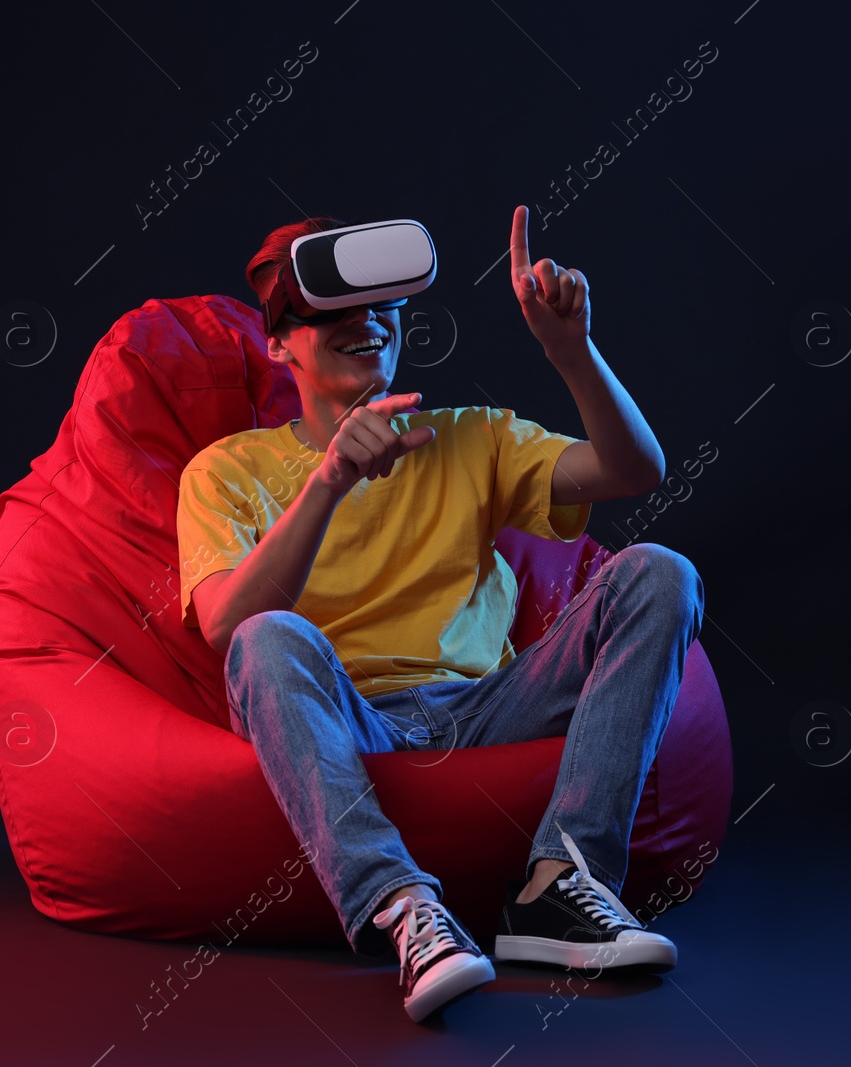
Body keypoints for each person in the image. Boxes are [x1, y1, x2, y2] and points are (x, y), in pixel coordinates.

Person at [175, 206, 706, 1022]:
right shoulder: (226, 473)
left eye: (382, 308)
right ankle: (404, 908)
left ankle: (560, 883)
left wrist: (573, 351)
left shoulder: (468, 439)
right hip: (349, 720)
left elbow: (634, 470)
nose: (366, 325)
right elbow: (226, 628)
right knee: (265, 636)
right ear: (280, 342)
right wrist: (329, 482)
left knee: (661, 572)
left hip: (486, 705)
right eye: (331, 313)